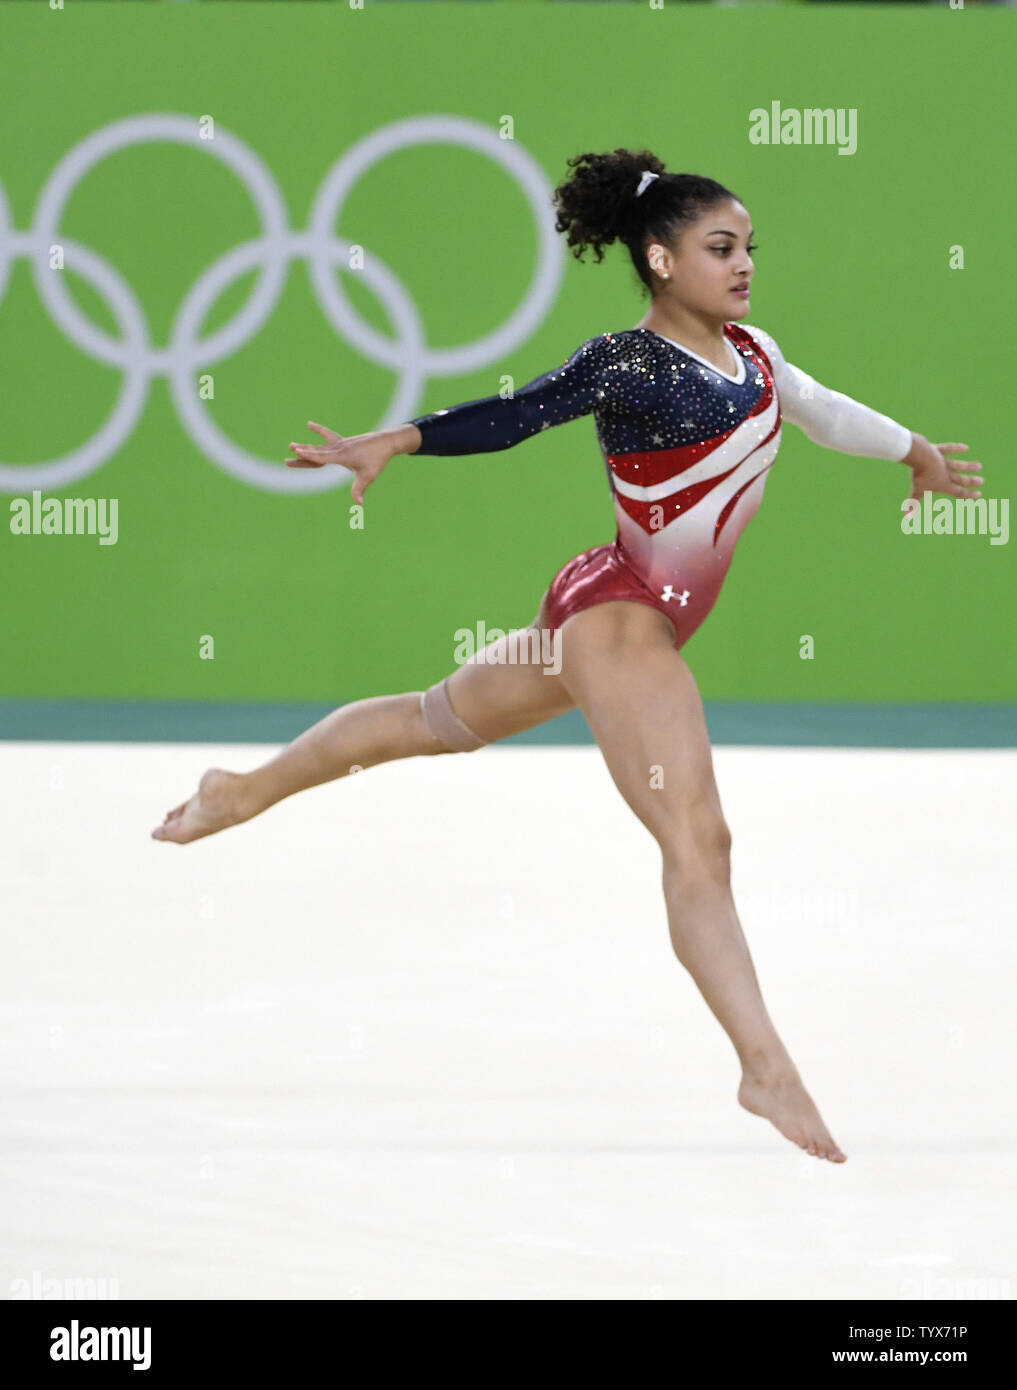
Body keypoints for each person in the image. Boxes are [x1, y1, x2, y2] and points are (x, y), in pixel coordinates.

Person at [152, 148, 982, 1163]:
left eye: (749, 247)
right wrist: (397, 440)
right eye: (720, 248)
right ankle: (763, 1065)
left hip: (608, 605)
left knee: (432, 720)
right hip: (622, 621)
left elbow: (821, 410)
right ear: (660, 258)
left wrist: (913, 450)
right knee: (699, 843)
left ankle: (241, 789)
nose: (744, 264)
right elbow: (514, 414)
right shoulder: (629, 363)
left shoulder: (755, 354)